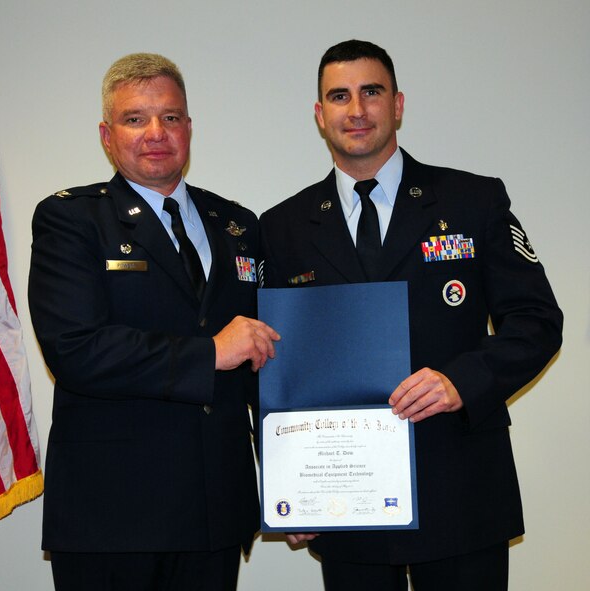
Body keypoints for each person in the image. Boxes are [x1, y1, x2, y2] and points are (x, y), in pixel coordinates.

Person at [259, 39, 563, 590]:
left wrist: (460, 381)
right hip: (344, 497)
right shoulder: (282, 227)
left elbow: (537, 321)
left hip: (462, 484)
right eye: (339, 96)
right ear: (319, 115)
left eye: (371, 92)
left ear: (397, 104)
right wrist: (287, 480)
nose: (356, 110)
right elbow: (277, 363)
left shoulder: (473, 201)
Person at [28, 53, 279, 591]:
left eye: (170, 117)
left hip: (215, 512)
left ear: (189, 128)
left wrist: (297, 485)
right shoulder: (71, 220)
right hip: (113, 518)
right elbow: (75, 349)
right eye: (135, 119)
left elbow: (266, 359)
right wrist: (211, 352)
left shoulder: (237, 225)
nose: (156, 133)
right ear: (106, 134)